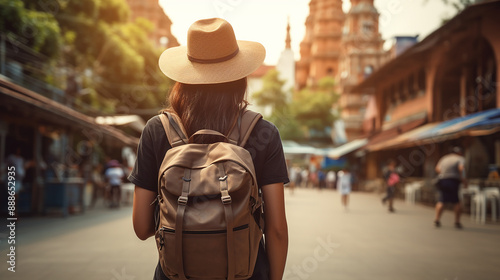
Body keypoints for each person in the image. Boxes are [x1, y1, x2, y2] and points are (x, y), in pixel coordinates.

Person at [129, 18, 289, 280]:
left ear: (184, 77)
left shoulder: (157, 130)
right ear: (239, 76)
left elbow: (142, 227)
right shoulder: (263, 132)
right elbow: (277, 230)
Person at [434, 146, 466, 229]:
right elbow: (461, 169)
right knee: (457, 201)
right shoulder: (460, 158)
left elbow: (437, 168)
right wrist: (464, 179)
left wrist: (444, 173)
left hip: (443, 180)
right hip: (453, 181)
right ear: (459, 152)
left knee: (442, 200)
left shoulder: (444, 158)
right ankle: (457, 221)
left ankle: (437, 219)